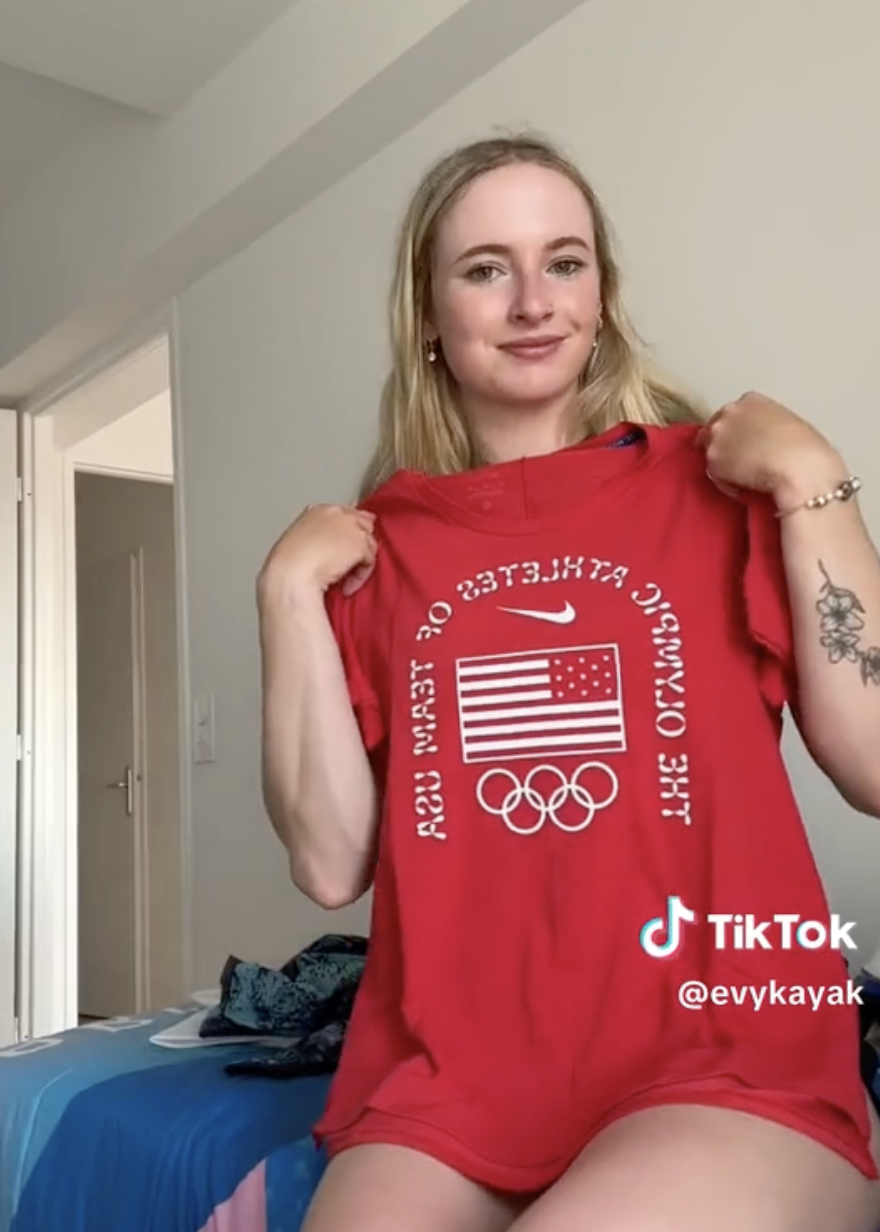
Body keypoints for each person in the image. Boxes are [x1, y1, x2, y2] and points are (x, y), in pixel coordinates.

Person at [256, 132, 880, 1231]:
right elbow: (326, 863)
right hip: (451, 1077)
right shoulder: (372, 550)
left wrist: (815, 479)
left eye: (566, 260)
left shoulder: (720, 485)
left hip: (721, 1044)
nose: (533, 299)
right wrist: (284, 599)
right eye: (486, 266)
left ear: (603, 297)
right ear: (430, 316)